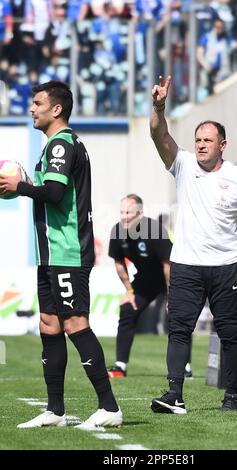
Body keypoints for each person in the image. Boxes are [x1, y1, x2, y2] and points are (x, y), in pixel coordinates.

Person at [150, 75, 237, 414]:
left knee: (228, 333)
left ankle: (232, 397)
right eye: (197, 140)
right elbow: (158, 133)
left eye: (208, 140)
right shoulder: (181, 163)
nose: (201, 145)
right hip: (187, 265)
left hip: (226, 267)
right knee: (179, 329)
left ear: (223, 144)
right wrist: (158, 106)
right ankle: (174, 395)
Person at [0, 80, 122, 428]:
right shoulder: (55, 145)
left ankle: (109, 407)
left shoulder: (61, 144)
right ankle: (55, 411)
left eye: (37, 103)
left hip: (67, 251)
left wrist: (18, 186)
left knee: (75, 323)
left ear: (57, 109)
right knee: (50, 324)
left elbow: (54, 193)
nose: (31, 108)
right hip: (51, 254)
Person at [107, 194, 176, 378]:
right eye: (121, 212)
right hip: (146, 280)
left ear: (140, 213)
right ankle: (120, 367)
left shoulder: (154, 229)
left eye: (128, 212)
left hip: (170, 276)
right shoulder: (117, 231)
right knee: (128, 309)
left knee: (177, 316)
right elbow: (119, 262)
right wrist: (129, 291)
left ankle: (184, 368)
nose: (124, 216)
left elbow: (167, 265)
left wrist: (171, 296)